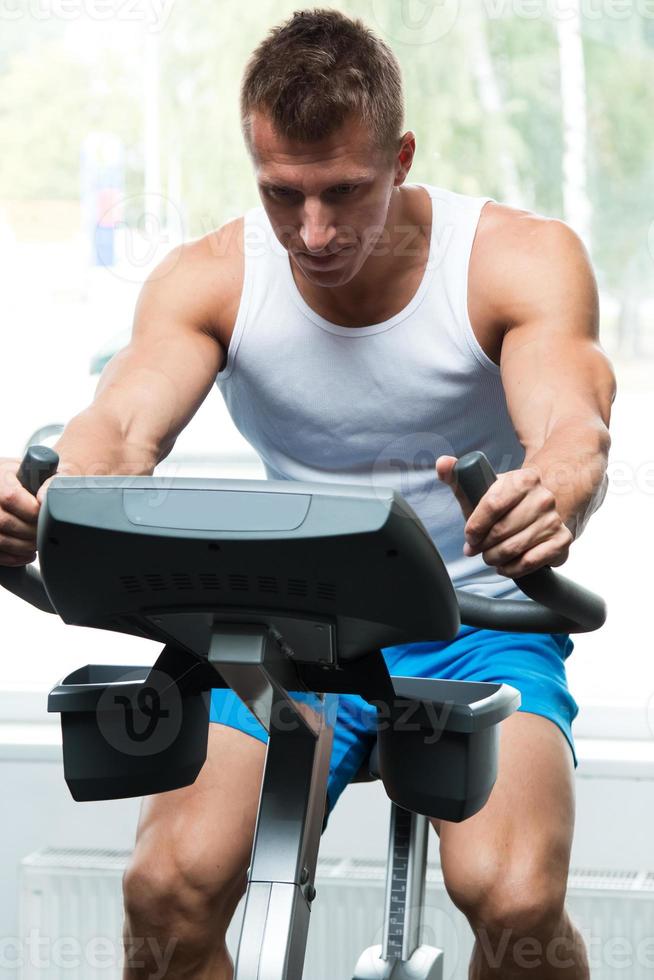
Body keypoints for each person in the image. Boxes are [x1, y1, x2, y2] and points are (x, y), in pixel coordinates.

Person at [0, 9, 616, 979]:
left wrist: (555, 487)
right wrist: (46, 496)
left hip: (476, 618)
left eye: (343, 192)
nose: (314, 231)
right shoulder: (211, 277)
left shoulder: (511, 258)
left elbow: (573, 423)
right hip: (282, 629)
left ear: (400, 156)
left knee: (515, 894)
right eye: (284, 196)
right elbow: (117, 427)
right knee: (169, 887)